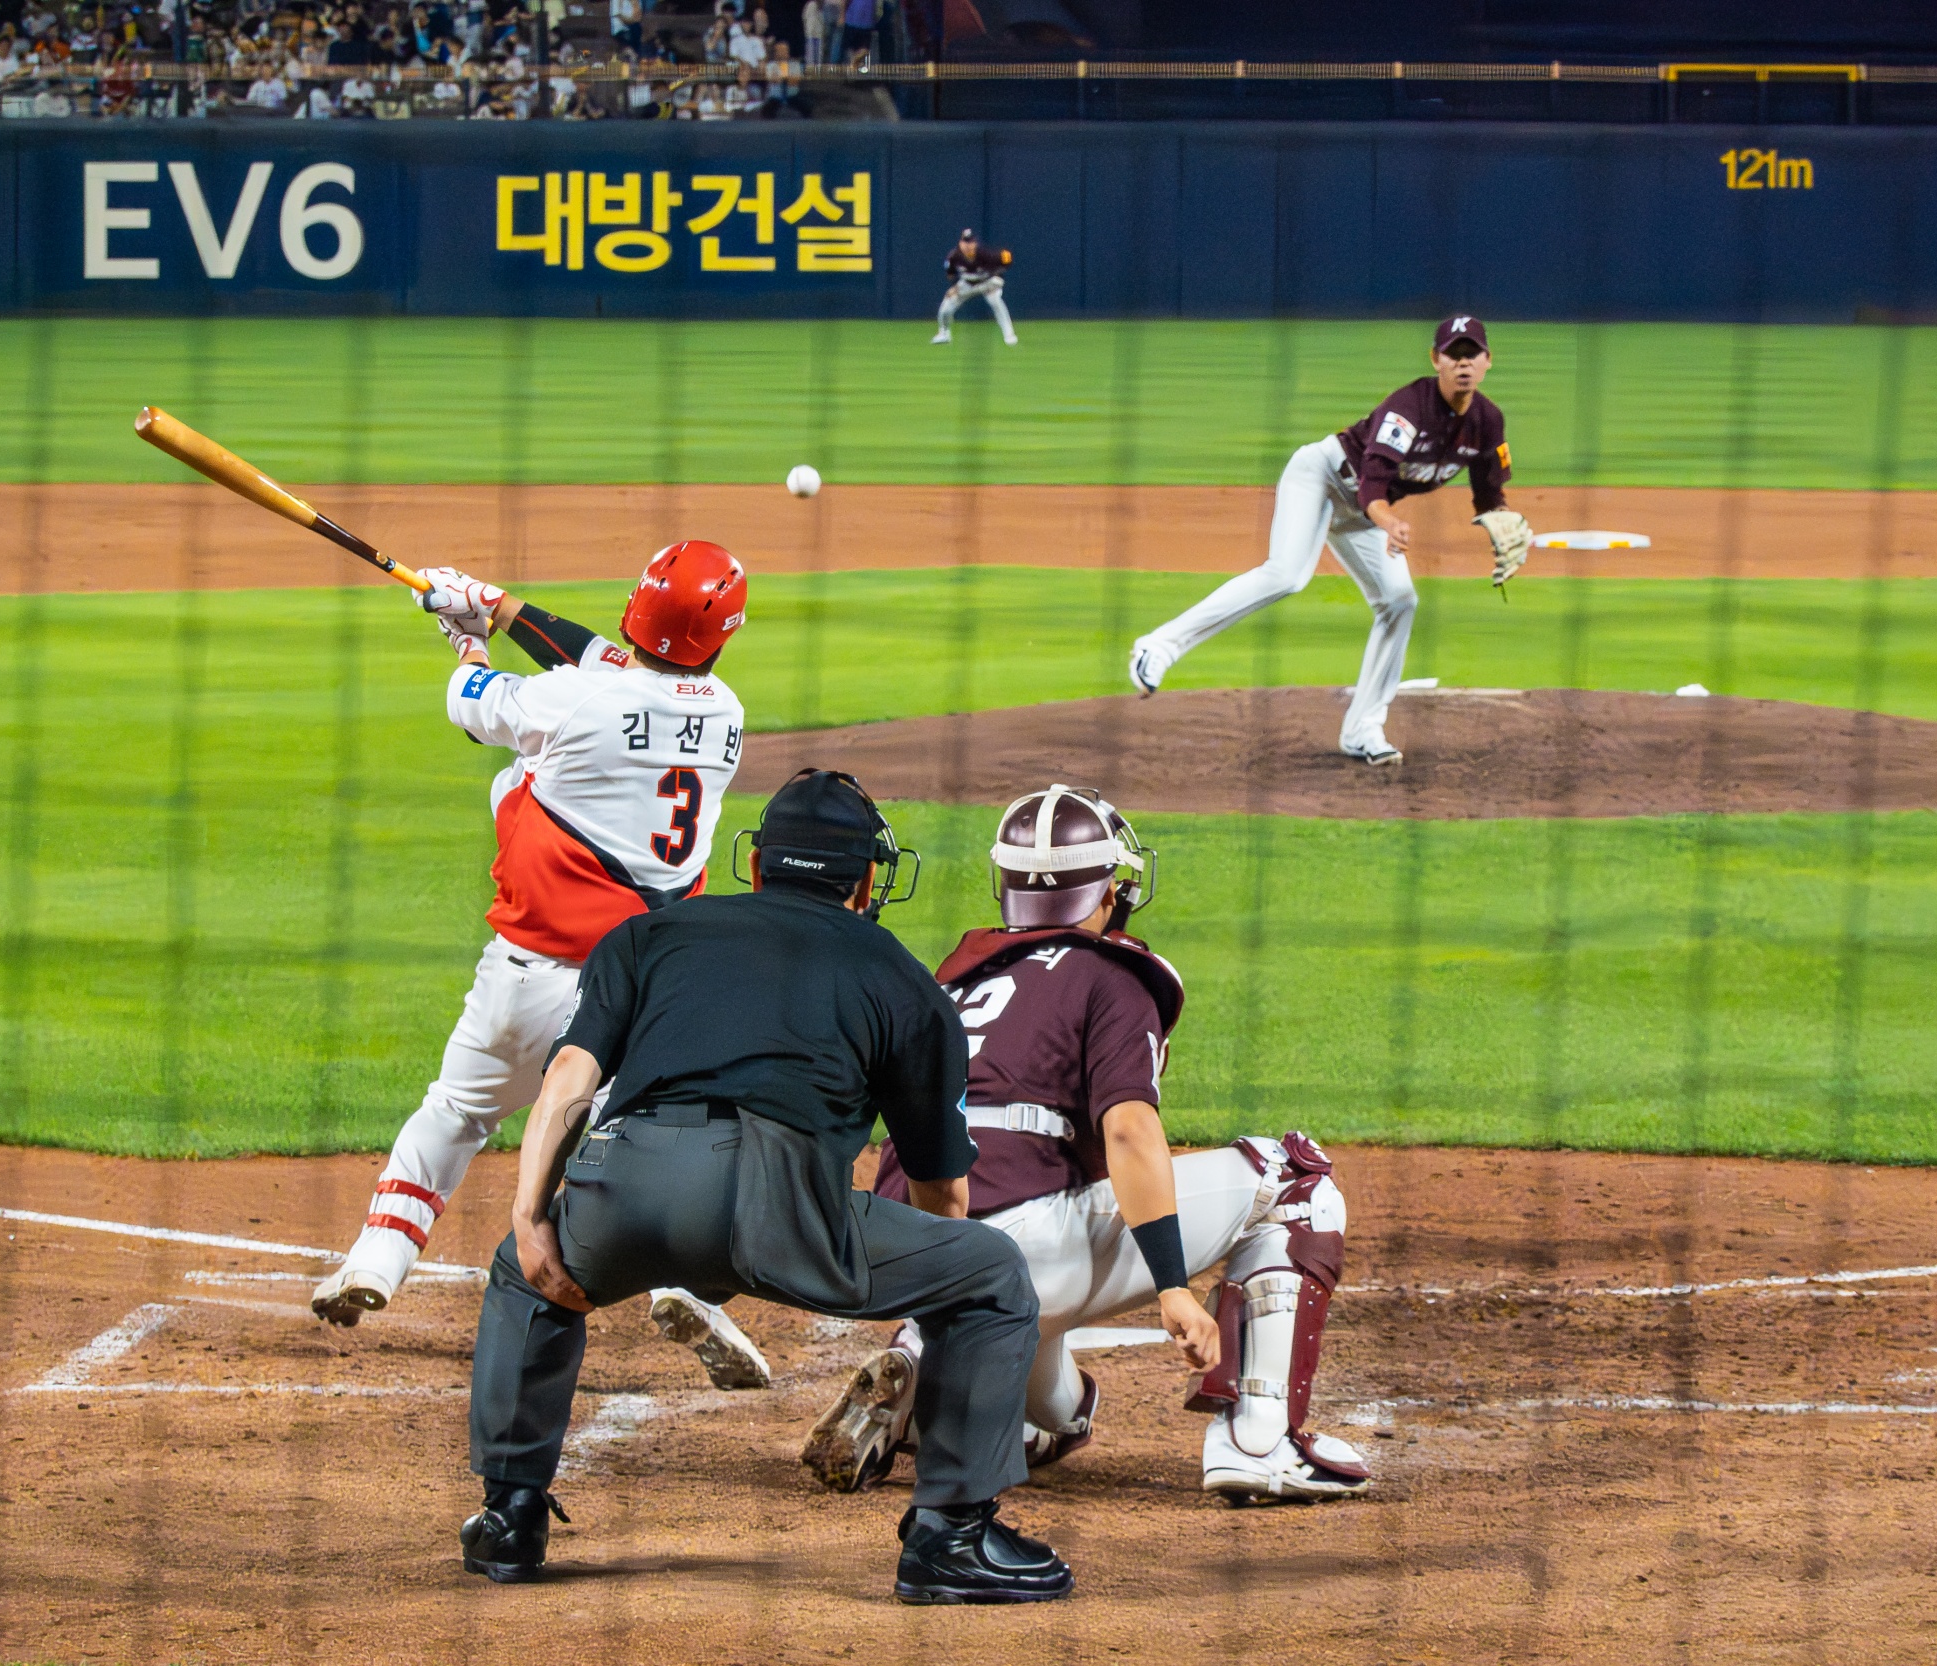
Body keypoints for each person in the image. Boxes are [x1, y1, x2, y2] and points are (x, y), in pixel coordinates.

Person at [461, 770, 1073, 1604]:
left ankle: (509, 1514)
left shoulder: (649, 935)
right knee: (991, 1273)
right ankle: (951, 1538)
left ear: (756, 864)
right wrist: (927, 1281)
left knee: (521, 1274)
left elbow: (571, 1073)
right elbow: (942, 1191)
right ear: (867, 880)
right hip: (786, 1206)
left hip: (626, 1182)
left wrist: (532, 1215)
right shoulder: (904, 980)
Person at [800, 785, 1373, 1504]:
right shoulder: (1109, 975)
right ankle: (1260, 1442)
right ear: (1109, 889)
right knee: (1292, 1181)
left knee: (1062, 1419)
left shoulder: (952, 980)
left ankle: (926, 1363)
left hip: (915, 1256)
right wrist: (1173, 1287)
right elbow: (1129, 1130)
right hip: (1028, 1249)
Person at [308, 544, 776, 1399]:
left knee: (455, 1111)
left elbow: (470, 703)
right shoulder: (726, 715)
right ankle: (682, 1287)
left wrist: (466, 638)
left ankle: (377, 1256)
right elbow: (611, 667)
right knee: (655, 1145)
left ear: (638, 606)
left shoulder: (571, 703)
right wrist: (497, 601)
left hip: (523, 981)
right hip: (636, 1001)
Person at [1127, 314, 1534, 766]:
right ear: (1435, 359)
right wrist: (1387, 521)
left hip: (1365, 511)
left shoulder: (1487, 421)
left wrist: (1502, 524)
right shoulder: (1408, 407)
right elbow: (1373, 480)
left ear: (1488, 360)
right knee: (1287, 575)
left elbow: (1488, 494)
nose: (1463, 363)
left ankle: (1363, 730)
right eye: (1453, 354)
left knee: (1400, 600)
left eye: (1471, 354)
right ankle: (1158, 646)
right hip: (1322, 479)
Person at [932, 227, 1014, 346]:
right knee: (946, 307)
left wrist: (997, 280)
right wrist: (954, 287)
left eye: (971, 242)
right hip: (967, 284)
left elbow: (1007, 258)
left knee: (995, 301)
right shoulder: (954, 257)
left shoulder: (984, 254)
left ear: (975, 243)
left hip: (987, 283)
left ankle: (1009, 335)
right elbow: (951, 274)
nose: (968, 246)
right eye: (965, 242)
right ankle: (944, 334)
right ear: (960, 243)